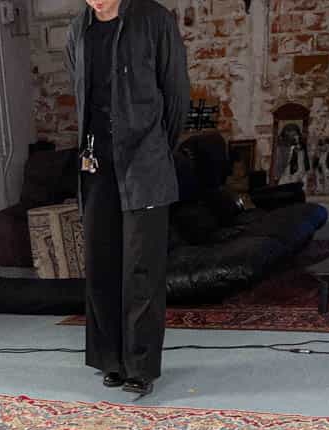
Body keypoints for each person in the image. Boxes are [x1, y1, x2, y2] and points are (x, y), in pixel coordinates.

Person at [66, 0, 189, 399]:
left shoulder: (155, 21)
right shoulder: (77, 30)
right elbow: (81, 95)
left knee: (141, 268)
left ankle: (140, 366)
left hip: (144, 163)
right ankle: (111, 360)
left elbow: (176, 96)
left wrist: (155, 150)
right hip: (95, 164)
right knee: (101, 265)